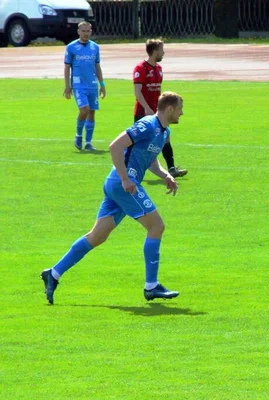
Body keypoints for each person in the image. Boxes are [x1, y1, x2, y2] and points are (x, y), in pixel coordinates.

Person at [40, 92, 185, 305]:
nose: (182, 112)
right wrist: (126, 179)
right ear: (170, 109)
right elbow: (115, 146)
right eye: (180, 108)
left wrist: (166, 176)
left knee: (97, 236)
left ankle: (53, 273)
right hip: (123, 183)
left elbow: (150, 159)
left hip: (119, 184)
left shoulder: (164, 132)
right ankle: (151, 286)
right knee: (156, 227)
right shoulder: (147, 125)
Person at [133, 39, 188, 178]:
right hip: (143, 112)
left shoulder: (159, 69)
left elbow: (158, 92)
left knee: (165, 138)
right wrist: (146, 108)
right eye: (162, 50)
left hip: (158, 113)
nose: (164, 53)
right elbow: (137, 92)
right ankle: (130, 169)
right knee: (139, 142)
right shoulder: (140, 68)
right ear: (155, 51)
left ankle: (171, 169)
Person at [64, 21, 106, 151]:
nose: (86, 33)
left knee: (92, 112)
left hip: (92, 85)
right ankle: (78, 135)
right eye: (83, 31)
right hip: (78, 85)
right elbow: (67, 67)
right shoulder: (71, 47)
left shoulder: (95, 47)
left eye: (88, 31)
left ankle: (88, 143)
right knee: (84, 109)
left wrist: (102, 84)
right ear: (78, 32)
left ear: (91, 31)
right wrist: (67, 85)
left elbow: (97, 66)